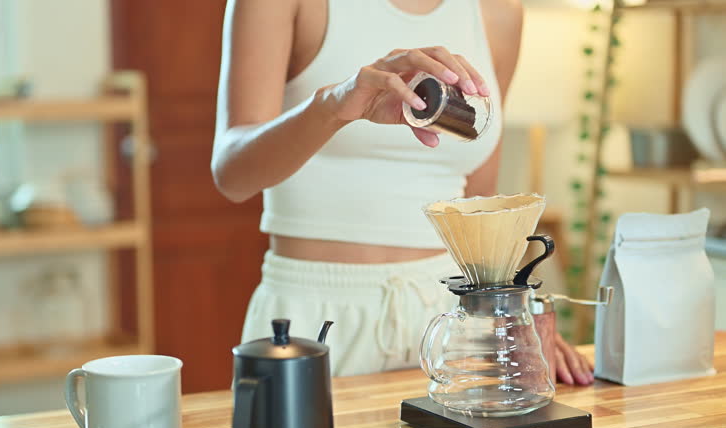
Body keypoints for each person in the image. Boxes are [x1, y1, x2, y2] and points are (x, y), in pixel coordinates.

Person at [212, 0, 594, 385]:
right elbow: (232, 175)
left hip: (453, 319)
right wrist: (334, 106)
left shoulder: (499, 11)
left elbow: (478, 210)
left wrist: (515, 316)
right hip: (314, 316)